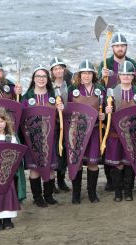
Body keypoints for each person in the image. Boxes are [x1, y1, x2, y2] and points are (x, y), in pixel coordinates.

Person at [104, 61, 136, 202]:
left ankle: (128, 191)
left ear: (133, 76)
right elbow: (105, 115)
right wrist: (107, 110)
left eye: (129, 74)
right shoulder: (112, 91)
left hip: (133, 135)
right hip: (116, 134)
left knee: (130, 162)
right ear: (119, 75)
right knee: (118, 163)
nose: (126, 77)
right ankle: (118, 192)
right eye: (123, 74)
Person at [21, 65, 63, 207]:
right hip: (33, 140)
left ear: (47, 79)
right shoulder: (26, 97)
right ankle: (38, 197)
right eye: (38, 76)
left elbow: (60, 119)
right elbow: (21, 119)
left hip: (51, 137)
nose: (41, 79)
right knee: (35, 169)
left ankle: (49, 195)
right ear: (33, 79)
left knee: (50, 168)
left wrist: (61, 110)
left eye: (43, 76)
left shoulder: (54, 97)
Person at [68, 60, 106, 204]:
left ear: (93, 75)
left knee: (93, 162)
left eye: (89, 73)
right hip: (77, 131)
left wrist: (104, 116)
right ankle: (76, 194)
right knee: (76, 162)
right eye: (84, 73)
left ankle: (92, 193)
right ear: (79, 75)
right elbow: (66, 112)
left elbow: (108, 107)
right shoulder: (73, 90)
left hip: (95, 130)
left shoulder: (100, 89)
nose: (86, 76)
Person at [0, 107, 22, 230]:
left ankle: (7, 220)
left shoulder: (10, 137)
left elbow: (17, 153)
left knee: (8, 193)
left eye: (2, 121)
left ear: (6, 122)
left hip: (6, 171)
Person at [50, 57, 72, 193]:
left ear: (64, 69)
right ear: (52, 71)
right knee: (54, 151)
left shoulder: (70, 84)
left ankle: (61, 179)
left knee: (64, 150)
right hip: (53, 122)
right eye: (55, 68)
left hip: (68, 121)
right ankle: (51, 184)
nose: (58, 71)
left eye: (60, 68)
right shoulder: (48, 85)